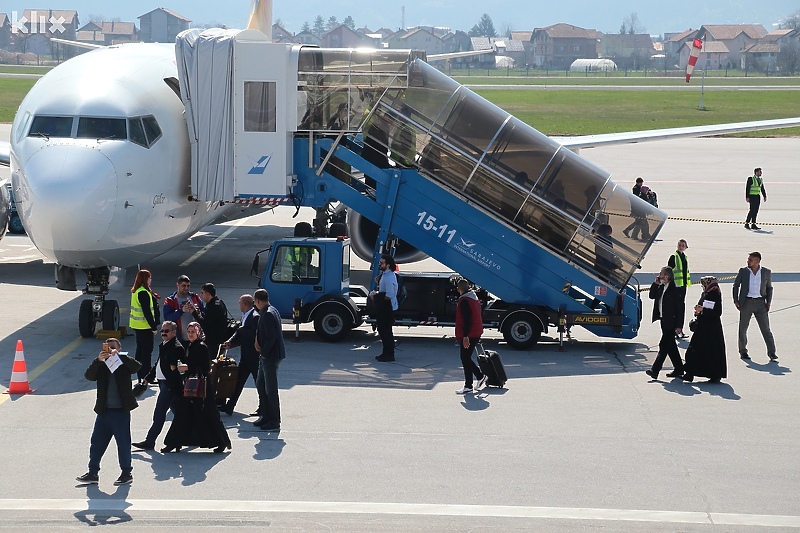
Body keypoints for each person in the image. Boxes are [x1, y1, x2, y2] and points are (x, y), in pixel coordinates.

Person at [76, 338, 140, 486]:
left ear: (119, 348)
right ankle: (93, 473)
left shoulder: (123, 363)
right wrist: (98, 360)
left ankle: (126, 473)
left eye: (113, 347)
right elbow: (89, 376)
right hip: (104, 412)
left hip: (120, 412)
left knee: (123, 444)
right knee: (96, 443)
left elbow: (137, 367)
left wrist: (120, 356)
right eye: (107, 347)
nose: (110, 350)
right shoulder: (101, 365)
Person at [162, 322, 232, 453]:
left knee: (210, 414)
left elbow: (206, 368)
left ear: (198, 333)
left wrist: (188, 367)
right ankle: (173, 443)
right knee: (182, 414)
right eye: (188, 332)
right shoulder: (190, 346)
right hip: (190, 385)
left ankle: (221, 442)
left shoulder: (201, 347)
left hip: (203, 387)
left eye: (193, 332)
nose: (190, 334)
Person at [132, 321, 186, 451]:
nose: (163, 333)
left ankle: (150, 441)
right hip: (163, 384)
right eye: (162, 331)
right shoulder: (165, 345)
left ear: (174, 332)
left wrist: (170, 383)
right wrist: (147, 378)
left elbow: (178, 370)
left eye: (166, 331)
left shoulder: (177, 348)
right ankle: (191, 436)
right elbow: (158, 364)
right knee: (180, 415)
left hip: (169, 386)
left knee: (159, 414)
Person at [732, 251, 777, 361]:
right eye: (748, 259)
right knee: (743, 328)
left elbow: (769, 288)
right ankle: (743, 351)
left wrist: (768, 302)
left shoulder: (766, 272)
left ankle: (772, 353)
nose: (748, 261)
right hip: (746, 302)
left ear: (757, 261)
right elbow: (736, 285)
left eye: (750, 260)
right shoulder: (743, 271)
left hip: (760, 303)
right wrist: (736, 300)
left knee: (766, 329)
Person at [253, 289, 286, 432]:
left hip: (270, 357)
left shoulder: (267, 314)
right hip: (266, 356)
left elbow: (271, 338)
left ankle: (274, 420)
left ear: (258, 301)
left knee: (270, 390)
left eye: (255, 302)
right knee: (260, 384)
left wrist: (264, 353)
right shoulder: (271, 310)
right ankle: (265, 415)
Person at [682, 276, 727, 383]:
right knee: (695, 351)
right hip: (703, 327)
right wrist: (698, 311)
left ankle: (713, 374)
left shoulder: (714, 294)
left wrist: (703, 310)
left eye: (704, 284)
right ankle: (690, 373)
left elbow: (717, 312)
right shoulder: (706, 293)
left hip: (711, 329)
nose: (703, 286)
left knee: (709, 352)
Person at [222, 294, 260, 416]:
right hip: (245, 357)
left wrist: (242, 330)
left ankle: (263, 407)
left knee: (259, 384)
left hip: (254, 357)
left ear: (244, 304)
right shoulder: (245, 315)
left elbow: (252, 335)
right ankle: (230, 406)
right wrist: (230, 342)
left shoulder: (255, 317)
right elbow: (239, 331)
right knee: (238, 382)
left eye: (239, 302)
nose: (238, 304)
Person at [645, 266, 685, 380]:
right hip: (663, 319)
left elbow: (680, 308)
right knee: (671, 345)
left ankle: (655, 370)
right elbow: (651, 295)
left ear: (666, 277)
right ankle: (679, 368)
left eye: (660, 274)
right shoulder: (661, 286)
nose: (659, 276)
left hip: (671, 321)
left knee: (663, 345)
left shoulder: (676, 289)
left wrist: (679, 325)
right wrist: (655, 283)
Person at [454, 278, 487, 395]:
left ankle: (470, 384)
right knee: (466, 358)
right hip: (476, 332)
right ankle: (479, 377)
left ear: (459, 289)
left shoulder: (464, 301)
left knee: (465, 358)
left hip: (470, 334)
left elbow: (467, 320)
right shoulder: (474, 298)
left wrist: (465, 335)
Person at [129, 269, 160, 385]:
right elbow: (147, 311)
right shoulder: (143, 292)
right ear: (145, 279)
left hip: (137, 325)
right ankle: (147, 376)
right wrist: (153, 327)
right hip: (144, 326)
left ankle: (140, 374)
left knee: (140, 350)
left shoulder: (137, 291)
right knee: (147, 352)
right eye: (149, 278)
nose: (151, 280)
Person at [191, 282, 229, 361]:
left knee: (213, 366)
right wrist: (200, 313)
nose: (201, 295)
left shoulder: (214, 306)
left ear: (208, 293)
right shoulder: (219, 302)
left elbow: (205, 323)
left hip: (214, 342)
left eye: (202, 293)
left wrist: (194, 313)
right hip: (218, 340)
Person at [163, 275, 205, 344]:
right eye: (184, 286)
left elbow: (203, 313)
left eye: (188, 286)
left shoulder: (195, 297)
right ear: (177, 285)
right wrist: (181, 311)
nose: (186, 288)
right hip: (180, 339)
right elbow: (167, 318)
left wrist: (197, 312)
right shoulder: (170, 300)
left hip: (196, 338)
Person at [372, 254, 398, 362]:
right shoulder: (386, 275)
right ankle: (386, 352)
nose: (380, 265)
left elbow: (389, 295)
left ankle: (389, 354)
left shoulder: (388, 277)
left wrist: (375, 296)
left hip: (387, 308)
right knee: (384, 331)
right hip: (386, 307)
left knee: (385, 331)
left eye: (382, 263)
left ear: (387, 265)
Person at [667, 239, 691, 339]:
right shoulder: (674, 257)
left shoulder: (684, 257)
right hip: (676, 287)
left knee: (681, 308)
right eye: (679, 245)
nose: (681, 247)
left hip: (683, 286)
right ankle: (677, 330)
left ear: (686, 247)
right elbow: (668, 271)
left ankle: (678, 329)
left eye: (683, 245)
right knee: (678, 309)